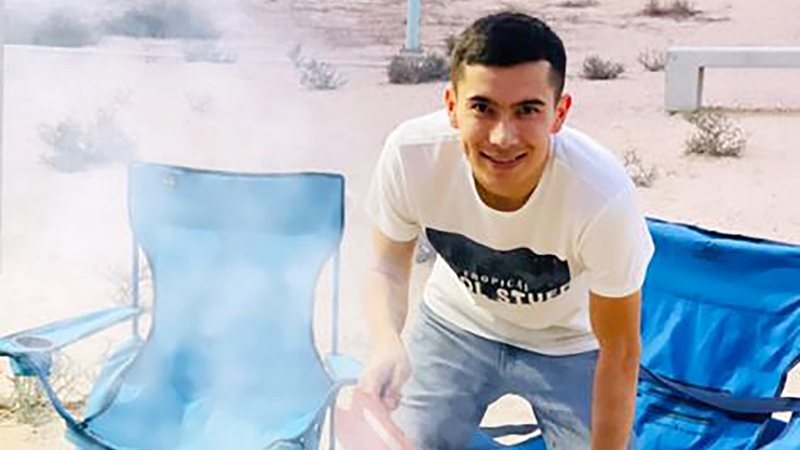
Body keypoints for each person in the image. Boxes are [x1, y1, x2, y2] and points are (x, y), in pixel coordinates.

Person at [359, 11, 654, 450]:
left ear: (559, 113)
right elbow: (386, 268)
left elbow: (621, 348)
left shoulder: (600, 196)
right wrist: (386, 341)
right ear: (451, 106)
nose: (502, 137)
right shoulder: (412, 154)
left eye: (527, 110)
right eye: (483, 108)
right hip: (455, 323)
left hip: (570, 343)